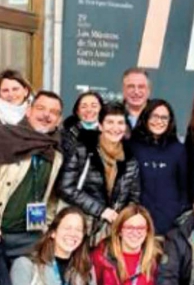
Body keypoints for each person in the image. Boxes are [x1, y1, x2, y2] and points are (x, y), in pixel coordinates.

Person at [0, 91, 64, 261]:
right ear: (28, 111)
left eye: (54, 112)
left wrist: (47, 226)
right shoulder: (0, 137)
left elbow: (51, 197)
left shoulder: (55, 154)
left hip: (32, 238)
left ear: (59, 120)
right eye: (41, 108)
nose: (46, 115)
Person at [58, 102, 141, 238]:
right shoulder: (83, 150)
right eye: (110, 122)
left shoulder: (130, 159)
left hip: (111, 231)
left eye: (120, 123)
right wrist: (100, 210)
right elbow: (65, 187)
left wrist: (123, 218)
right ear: (100, 126)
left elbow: (134, 197)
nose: (115, 128)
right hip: (81, 227)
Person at [130, 99, 188, 235]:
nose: (159, 121)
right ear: (146, 117)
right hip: (137, 221)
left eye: (164, 117)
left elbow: (184, 187)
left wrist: (179, 212)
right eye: (154, 116)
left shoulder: (178, 149)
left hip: (170, 223)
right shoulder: (132, 146)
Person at [0, 69, 33, 134]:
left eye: (15, 89)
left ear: (26, 91)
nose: (11, 94)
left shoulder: (36, 116)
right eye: (5, 90)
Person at [60, 91, 104, 158]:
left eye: (94, 106)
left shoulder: (110, 135)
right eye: (84, 107)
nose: (89, 110)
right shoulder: (66, 135)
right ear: (77, 111)